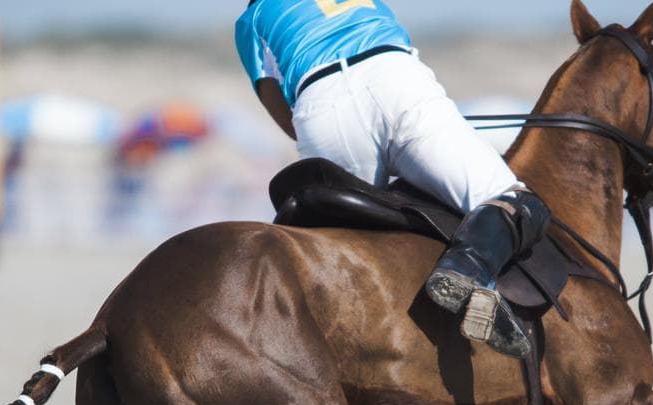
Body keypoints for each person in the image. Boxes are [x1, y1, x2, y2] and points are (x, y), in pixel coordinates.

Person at [235, 0, 549, 359]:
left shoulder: (252, 20)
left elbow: (281, 113)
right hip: (396, 80)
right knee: (515, 201)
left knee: (337, 251)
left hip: (321, 107)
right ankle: (467, 271)